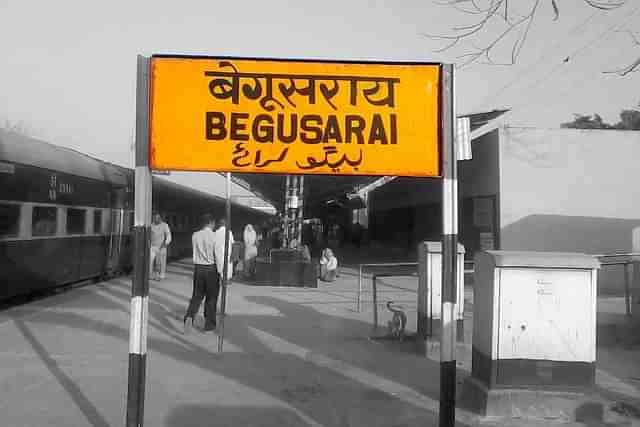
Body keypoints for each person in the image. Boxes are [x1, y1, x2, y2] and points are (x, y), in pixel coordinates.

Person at [184, 214, 218, 333]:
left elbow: (194, 251)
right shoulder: (214, 236)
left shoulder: (195, 235)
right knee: (211, 297)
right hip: (211, 269)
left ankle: (189, 317)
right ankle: (209, 324)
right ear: (210, 223)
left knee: (196, 296)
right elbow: (217, 254)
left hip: (198, 268)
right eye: (213, 223)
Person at [150, 212, 172, 281]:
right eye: (155, 218)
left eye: (158, 218)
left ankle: (161, 275)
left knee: (161, 261)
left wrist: (166, 243)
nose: (156, 219)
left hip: (162, 247)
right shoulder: (151, 225)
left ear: (160, 218)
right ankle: (150, 274)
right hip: (153, 246)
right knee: (150, 260)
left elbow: (168, 235)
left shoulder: (165, 225)